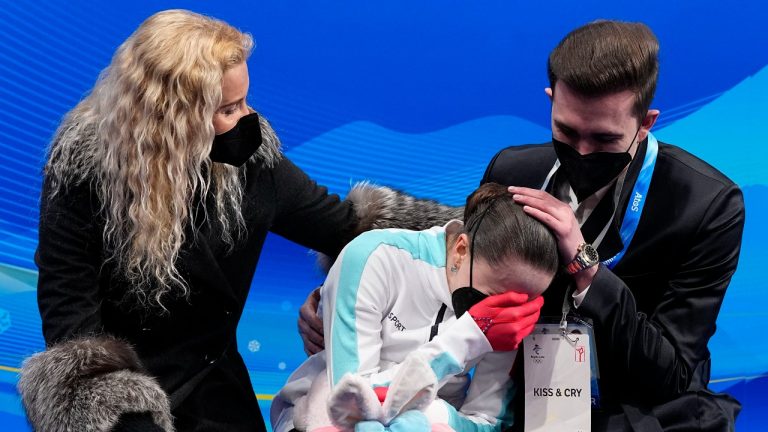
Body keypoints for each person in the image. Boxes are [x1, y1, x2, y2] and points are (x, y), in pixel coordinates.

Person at [17, 10, 459, 432]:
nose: (249, 118)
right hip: (124, 403)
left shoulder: (254, 164)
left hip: (216, 391)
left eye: (246, 100)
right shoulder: (83, 174)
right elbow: (72, 330)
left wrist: (478, 230)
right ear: (173, 121)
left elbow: (351, 228)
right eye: (229, 108)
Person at [300, 20, 745, 431]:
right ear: (551, 100)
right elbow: (453, 282)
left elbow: (674, 375)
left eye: (605, 139)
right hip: (518, 403)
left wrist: (588, 269)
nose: (584, 152)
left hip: (637, 412)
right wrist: (339, 302)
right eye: (568, 133)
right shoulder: (513, 169)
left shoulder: (706, 205)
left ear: (646, 124)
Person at [273, 183, 559, 432]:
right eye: (495, 295)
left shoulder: (514, 315)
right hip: (317, 417)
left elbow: (486, 421)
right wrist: (468, 338)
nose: (503, 311)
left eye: (521, 302)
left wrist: (433, 416)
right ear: (461, 248)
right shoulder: (374, 256)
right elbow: (352, 399)